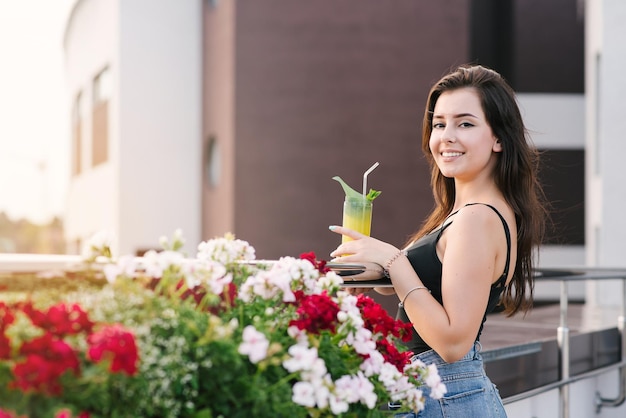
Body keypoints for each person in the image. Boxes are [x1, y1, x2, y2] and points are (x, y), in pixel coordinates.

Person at [329, 64, 547, 417]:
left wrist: (394, 262)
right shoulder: (475, 212)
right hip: (444, 395)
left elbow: (452, 342)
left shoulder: (477, 219)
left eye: (465, 123)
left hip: (443, 394)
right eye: (439, 123)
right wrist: (380, 272)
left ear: (498, 138)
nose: (446, 135)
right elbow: (436, 287)